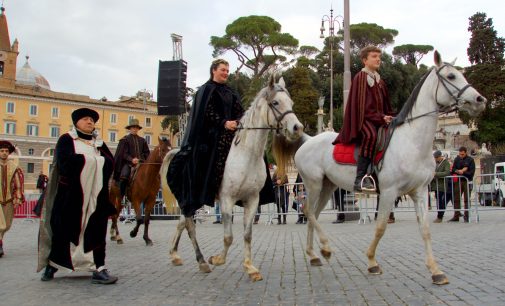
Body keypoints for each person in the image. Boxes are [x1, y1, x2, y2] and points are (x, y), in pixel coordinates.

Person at [38, 108, 118, 284]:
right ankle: (52, 264)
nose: (90, 122)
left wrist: (97, 161)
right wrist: (93, 161)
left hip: (96, 196)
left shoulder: (99, 142)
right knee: (63, 231)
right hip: (71, 197)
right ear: (76, 122)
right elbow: (65, 163)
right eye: (86, 119)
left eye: (92, 120)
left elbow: (111, 162)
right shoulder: (66, 139)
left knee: (97, 230)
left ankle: (99, 267)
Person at [167, 59, 245, 217]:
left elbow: (240, 110)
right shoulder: (205, 90)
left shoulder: (231, 92)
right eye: (223, 70)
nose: (225, 73)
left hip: (232, 131)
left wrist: (237, 121)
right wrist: (224, 123)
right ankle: (210, 189)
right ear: (214, 71)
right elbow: (206, 113)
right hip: (212, 134)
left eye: (227, 71)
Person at [333, 45, 395, 192]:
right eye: (374, 56)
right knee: (370, 136)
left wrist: (392, 116)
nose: (378, 59)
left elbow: (386, 105)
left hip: (379, 119)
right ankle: (360, 178)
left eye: (379, 56)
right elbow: (362, 107)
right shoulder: (361, 78)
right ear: (364, 60)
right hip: (364, 119)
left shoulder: (380, 80)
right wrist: (381, 118)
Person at [113, 118, 150, 200]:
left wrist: (143, 160)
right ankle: (121, 197)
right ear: (130, 128)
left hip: (141, 163)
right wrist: (132, 159)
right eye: (133, 127)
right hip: (128, 164)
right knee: (124, 176)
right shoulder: (125, 139)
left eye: (136, 127)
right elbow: (123, 153)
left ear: (138, 129)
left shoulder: (142, 140)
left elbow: (147, 153)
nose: (135, 129)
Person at [0, 140, 24, 257]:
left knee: (7, 225)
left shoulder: (14, 166)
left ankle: (0, 242)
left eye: (6, 151)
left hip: (9, 200)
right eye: (2, 151)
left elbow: (18, 184)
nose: (4, 153)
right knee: (1, 225)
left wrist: (18, 198)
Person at [449, 147, 475, 222]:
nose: (461, 156)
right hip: (458, 182)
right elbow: (453, 170)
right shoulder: (457, 159)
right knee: (456, 199)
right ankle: (456, 216)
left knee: (467, 199)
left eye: (463, 154)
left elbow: (471, 173)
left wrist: (463, 172)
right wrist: (458, 171)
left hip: (467, 181)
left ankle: (466, 216)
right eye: (460, 154)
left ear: (466, 152)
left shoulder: (470, 160)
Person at [430, 150, 451, 223]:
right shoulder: (435, 163)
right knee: (438, 201)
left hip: (442, 185)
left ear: (440, 157)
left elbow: (447, 172)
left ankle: (440, 216)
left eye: (436, 158)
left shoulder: (446, 163)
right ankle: (440, 215)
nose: (435, 159)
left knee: (440, 201)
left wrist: (436, 174)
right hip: (436, 185)